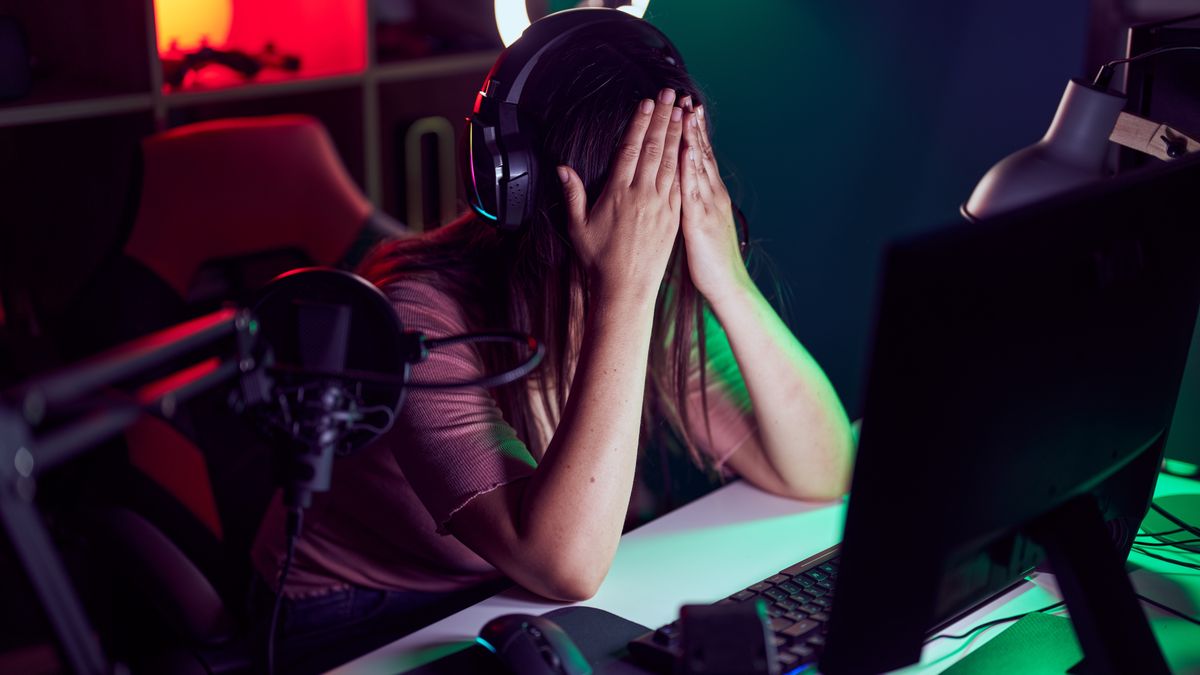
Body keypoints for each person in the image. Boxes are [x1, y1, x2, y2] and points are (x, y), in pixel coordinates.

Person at [249, 8, 854, 670]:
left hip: (510, 593)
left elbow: (821, 471)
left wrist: (728, 282)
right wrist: (624, 292)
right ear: (523, 186)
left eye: (663, 184)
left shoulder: (659, 283)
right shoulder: (416, 311)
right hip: (364, 613)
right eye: (630, 192)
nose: (650, 215)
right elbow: (563, 564)